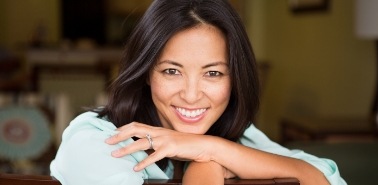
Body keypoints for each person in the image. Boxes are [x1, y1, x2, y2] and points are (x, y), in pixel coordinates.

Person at [50, 0, 347, 184]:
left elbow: (322, 177)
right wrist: (210, 163)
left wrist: (211, 149)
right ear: (146, 74)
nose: (191, 96)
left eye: (213, 73)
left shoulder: (237, 137)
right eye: (171, 71)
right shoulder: (96, 140)